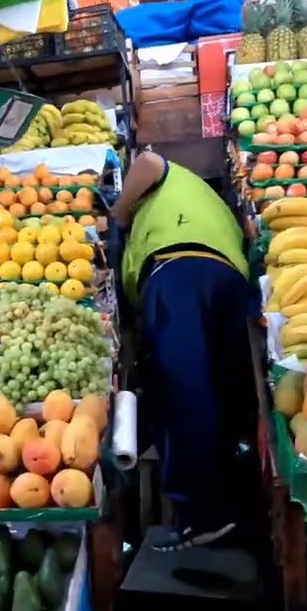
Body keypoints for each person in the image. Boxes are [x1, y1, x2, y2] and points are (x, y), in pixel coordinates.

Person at [112, 150, 255, 551]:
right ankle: (227, 509)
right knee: (219, 393)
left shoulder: (163, 183)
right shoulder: (210, 203)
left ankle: (203, 513)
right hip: (228, 281)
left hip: (177, 272)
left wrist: (119, 212)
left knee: (181, 389)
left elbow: (149, 161)